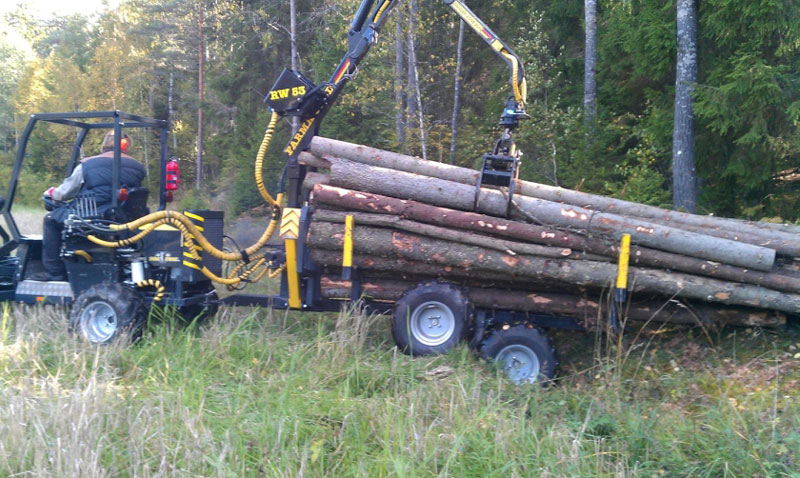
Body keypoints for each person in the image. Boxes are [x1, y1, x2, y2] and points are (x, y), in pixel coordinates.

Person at [31, 131, 146, 281]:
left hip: (93, 216)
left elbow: (64, 193)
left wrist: (51, 193)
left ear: (104, 144)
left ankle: (55, 272)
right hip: (124, 217)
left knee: (51, 219)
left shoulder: (88, 165)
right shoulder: (138, 167)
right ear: (126, 145)